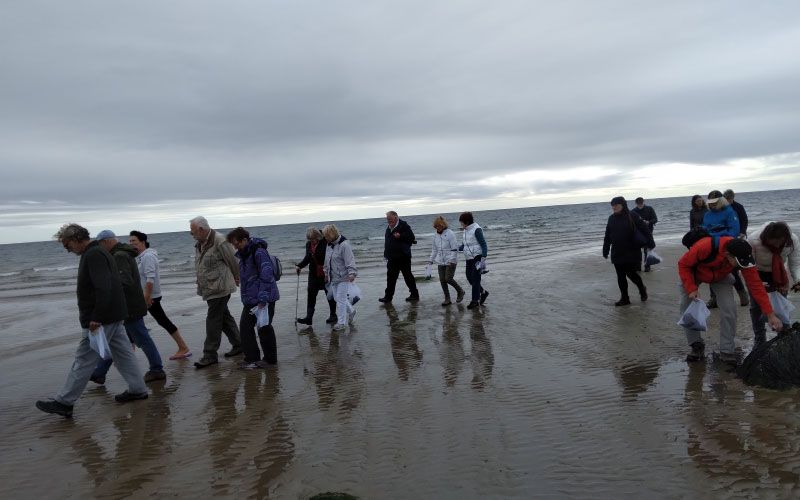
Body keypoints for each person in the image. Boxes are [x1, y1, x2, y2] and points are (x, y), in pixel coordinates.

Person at [36, 224, 148, 418]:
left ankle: (64, 401)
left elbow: (103, 287)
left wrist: (96, 317)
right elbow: (108, 286)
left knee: (84, 358)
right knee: (123, 355)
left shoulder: (94, 254)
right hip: (113, 314)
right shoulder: (99, 251)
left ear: (77, 238)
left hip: (102, 318)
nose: (67, 249)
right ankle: (138, 389)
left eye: (67, 244)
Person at [678, 237, 782, 365]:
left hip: (721, 277)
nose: (741, 266)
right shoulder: (704, 247)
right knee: (686, 307)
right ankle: (696, 345)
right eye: (739, 263)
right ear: (728, 255)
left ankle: (727, 350)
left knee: (729, 310)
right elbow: (683, 265)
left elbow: (756, 285)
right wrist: (691, 289)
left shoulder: (743, 253)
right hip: (694, 275)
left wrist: (770, 314)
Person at [90, 230, 166, 385]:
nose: (100, 248)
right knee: (116, 340)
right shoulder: (122, 253)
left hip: (129, 307)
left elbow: (124, 281)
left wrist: (107, 289)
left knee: (141, 338)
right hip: (127, 306)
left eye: (100, 244)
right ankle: (99, 372)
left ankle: (157, 369)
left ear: (107, 241)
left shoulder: (119, 256)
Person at [129, 230, 192, 359]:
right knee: (136, 321)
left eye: (134, 241)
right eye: (130, 241)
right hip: (146, 296)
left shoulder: (148, 257)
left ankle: (183, 347)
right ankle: (130, 352)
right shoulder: (143, 256)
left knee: (133, 321)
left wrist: (147, 297)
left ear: (142, 242)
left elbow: (150, 279)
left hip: (149, 297)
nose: (131, 244)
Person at [189, 216, 242, 369]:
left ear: (201, 229)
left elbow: (233, 260)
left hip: (220, 287)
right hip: (209, 287)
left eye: (193, 232)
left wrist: (237, 277)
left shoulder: (220, 240)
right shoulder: (200, 243)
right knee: (224, 317)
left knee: (213, 320)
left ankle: (210, 354)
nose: (192, 235)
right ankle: (239, 345)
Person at [227, 227, 279, 369]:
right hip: (250, 299)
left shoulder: (259, 251)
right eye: (233, 244)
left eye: (236, 243)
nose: (235, 246)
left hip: (265, 297)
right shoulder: (244, 254)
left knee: (264, 328)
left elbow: (266, 274)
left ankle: (270, 360)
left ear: (244, 240)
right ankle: (251, 358)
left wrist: (263, 297)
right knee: (245, 327)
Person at [749, 222, 800, 346]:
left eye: (780, 241)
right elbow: (749, 266)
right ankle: (760, 338)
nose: (777, 244)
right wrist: (758, 283)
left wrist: (798, 280)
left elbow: (794, 263)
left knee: (782, 305)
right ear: (767, 238)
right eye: (774, 241)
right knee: (756, 307)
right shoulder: (753, 240)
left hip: (779, 274)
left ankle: (784, 336)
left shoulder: (792, 241)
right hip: (757, 272)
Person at [602, 196, 654, 306]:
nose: (614, 207)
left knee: (631, 274)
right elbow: (607, 235)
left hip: (632, 251)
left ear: (623, 205)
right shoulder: (611, 218)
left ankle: (642, 288)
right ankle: (625, 298)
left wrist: (650, 243)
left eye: (616, 205)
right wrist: (605, 249)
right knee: (620, 276)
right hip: (617, 251)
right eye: (612, 205)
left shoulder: (633, 215)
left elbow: (645, 229)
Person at [703, 190, 747, 307]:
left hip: (726, 246)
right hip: (711, 246)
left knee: (731, 271)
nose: (712, 204)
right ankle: (714, 299)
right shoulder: (707, 214)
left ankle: (743, 295)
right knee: (711, 270)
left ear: (721, 201)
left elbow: (734, 231)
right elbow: (705, 229)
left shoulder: (729, 212)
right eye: (710, 202)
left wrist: (716, 234)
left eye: (715, 202)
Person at [295, 226, 337, 325]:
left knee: (329, 294)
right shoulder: (309, 244)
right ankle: (309, 318)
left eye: (313, 239)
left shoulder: (325, 242)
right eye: (310, 239)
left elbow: (330, 257)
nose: (312, 241)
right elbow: (308, 257)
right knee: (311, 294)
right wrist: (299, 266)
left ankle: (333, 315)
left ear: (318, 236)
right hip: (313, 273)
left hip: (326, 273)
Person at [322, 224, 358, 331]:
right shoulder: (329, 245)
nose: (325, 238)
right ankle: (351, 311)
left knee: (341, 300)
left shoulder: (344, 245)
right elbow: (326, 260)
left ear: (332, 234)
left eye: (327, 236)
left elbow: (350, 260)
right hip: (333, 277)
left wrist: (352, 273)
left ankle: (341, 323)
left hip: (344, 276)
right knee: (337, 298)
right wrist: (326, 273)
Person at [379, 211, 419, 303]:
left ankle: (414, 294)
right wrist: (386, 255)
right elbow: (387, 243)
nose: (389, 221)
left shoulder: (403, 225)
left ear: (396, 217)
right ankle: (388, 297)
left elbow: (411, 238)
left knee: (408, 276)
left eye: (390, 219)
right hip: (392, 258)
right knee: (390, 278)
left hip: (403, 257)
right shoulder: (388, 228)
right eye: (388, 219)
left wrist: (400, 236)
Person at [428, 216, 465, 306]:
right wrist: (430, 260)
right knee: (442, 280)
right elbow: (434, 249)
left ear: (443, 225)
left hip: (450, 260)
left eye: (439, 226)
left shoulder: (450, 233)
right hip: (440, 261)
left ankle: (460, 291)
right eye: (436, 226)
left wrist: (452, 260)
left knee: (448, 279)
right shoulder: (435, 236)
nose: (438, 228)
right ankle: (447, 299)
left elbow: (454, 248)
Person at [458, 211, 489, 309]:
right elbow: (465, 244)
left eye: (461, 222)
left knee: (475, 279)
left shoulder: (477, 229)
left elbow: (483, 244)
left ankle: (474, 301)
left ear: (466, 222)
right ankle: (483, 292)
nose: (461, 224)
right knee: (469, 277)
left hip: (477, 257)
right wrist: (456, 248)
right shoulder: (465, 230)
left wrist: (483, 257)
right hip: (468, 257)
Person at [631, 197, 658, 272]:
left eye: (641, 204)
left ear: (643, 202)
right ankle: (638, 266)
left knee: (647, 249)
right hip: (637, 233)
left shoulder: (649, 209)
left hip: (648, 232)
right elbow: (631, 223)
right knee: (637, 250)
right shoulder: (633, 211)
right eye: (638, 204)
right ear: (636, 203)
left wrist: (648, 222)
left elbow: (655, 219)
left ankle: (647, 265)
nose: (640, 206)